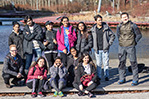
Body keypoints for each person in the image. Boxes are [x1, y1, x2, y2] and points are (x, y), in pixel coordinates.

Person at [117, 12, 142, 86]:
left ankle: (135, 79)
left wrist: (134, 42)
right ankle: (122, 78)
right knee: (121, 63)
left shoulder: (133, 25)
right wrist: (121, 41)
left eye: (126, 17)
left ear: (128, 17)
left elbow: (139, 35)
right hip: (121, 47)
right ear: (121, 18)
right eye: (123, 17)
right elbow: (118, 35)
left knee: (133, 63)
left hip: (131, 46)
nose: (125, 18)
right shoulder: (119, 26)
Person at [90, 14, 115, 81]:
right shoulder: (93, 29)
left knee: (106, 63)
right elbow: (90, 38)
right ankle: (99, 76)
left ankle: (106, 76)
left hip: (105, 48)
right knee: (98, 64)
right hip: (97, 49)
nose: (100, 21)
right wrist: (93, 46)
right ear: (95, 21)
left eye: (101, 20)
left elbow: (112, 35)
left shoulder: (106, 28)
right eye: (99, 20)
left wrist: (109, 44)